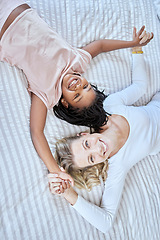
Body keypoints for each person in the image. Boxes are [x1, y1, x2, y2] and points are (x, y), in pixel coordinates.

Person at [0, 0, 153, 188]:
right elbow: (101, 46)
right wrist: (133, 43)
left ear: (64, 102)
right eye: (86, 86)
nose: (78, 85)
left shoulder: (47, 93)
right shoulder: (77, 63)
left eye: (76, 95)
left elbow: (37, 132)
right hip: (16, 7)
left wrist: (56, 171)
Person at [48, 42, 160, 233]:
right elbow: (106, 223)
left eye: (86, 145)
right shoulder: (118, 165)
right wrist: (69, 194)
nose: (98, 149)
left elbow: (140, 86)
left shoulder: (111, 106)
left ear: (84, 134)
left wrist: (137, 49)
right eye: (92, 158)